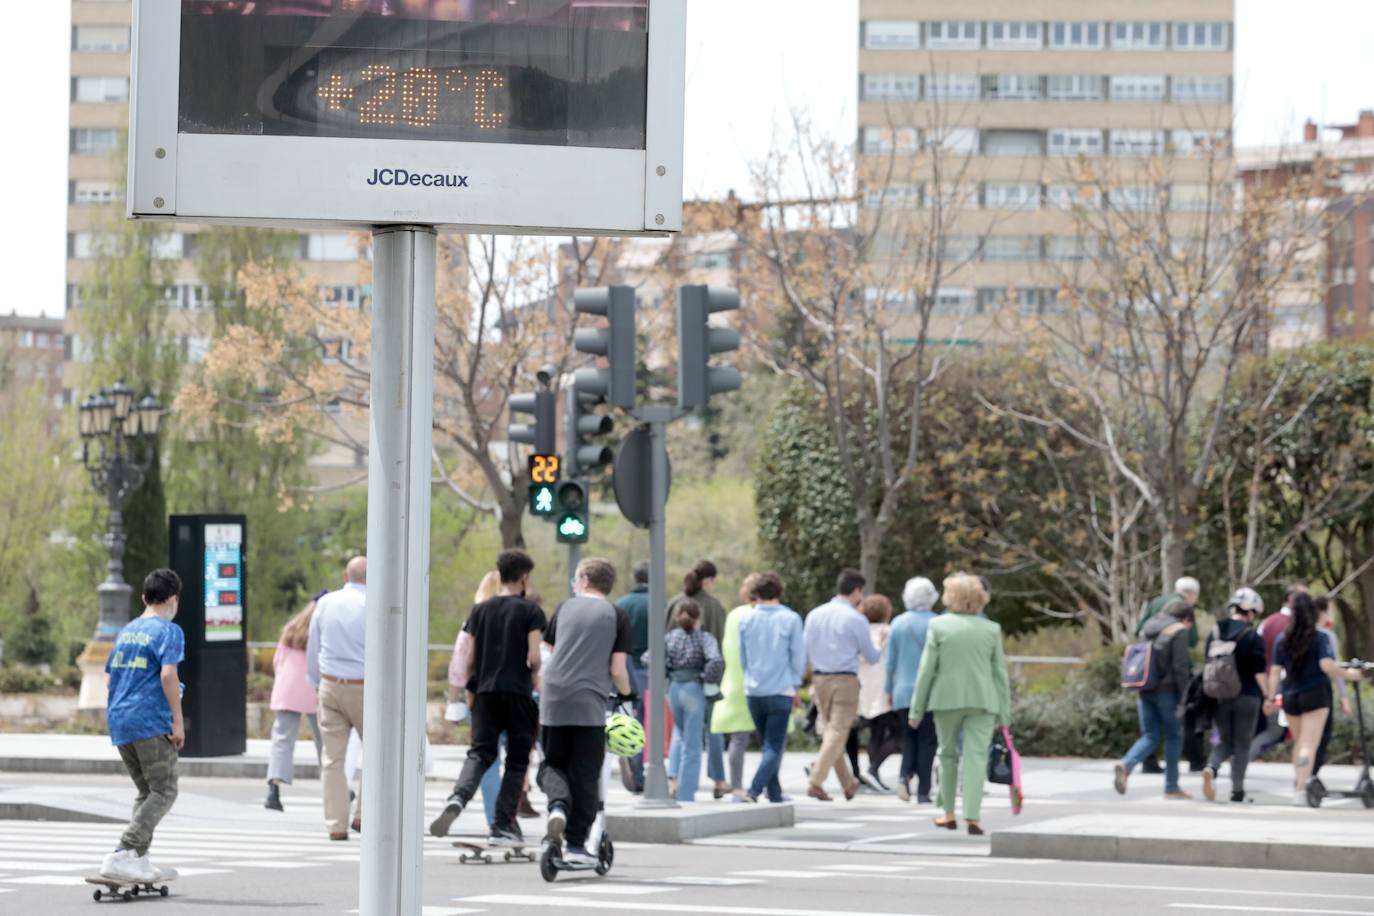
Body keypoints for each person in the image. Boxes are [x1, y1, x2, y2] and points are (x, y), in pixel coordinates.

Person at [430, 549, 545, 843]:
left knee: (480, 753)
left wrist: (470, 692)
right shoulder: (531, 611)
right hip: (518, 692)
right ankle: (503, 824)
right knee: (519, 760)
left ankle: (458, 798)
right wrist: (535, 677)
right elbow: (533, 656)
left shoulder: (480, 610)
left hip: (484, 692)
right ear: (523, 577)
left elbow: (468, 658)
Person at [539, 558, 633, 866]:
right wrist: (627, 695)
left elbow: (552, 652)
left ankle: (557, 807)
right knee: (585, 773)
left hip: (553, 697)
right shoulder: (616, 615)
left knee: (552, 763)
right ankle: (576, 844)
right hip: (589, 703)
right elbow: (617, 669)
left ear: (585, 580)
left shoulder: (564, 608)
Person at [98, 569, 185, 884]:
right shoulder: (169, 631)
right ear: (173, 599)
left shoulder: (127, 631)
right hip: (149, 721)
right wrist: (177, 720)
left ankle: (137, 858)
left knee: (147, 790)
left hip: (120, 721)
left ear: (144, 597)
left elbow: (108, 678)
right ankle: (123, 851)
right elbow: (167, 675)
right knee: (165, 790)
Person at [908, 574, 1011, 835]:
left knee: (947, 754)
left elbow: (926, 670)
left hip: (946, 699)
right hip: (984, 700)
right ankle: (973, 816)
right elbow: (1000, 675)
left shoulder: (939, 626)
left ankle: (948, 812)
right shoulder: (991, 629)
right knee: (976, 757)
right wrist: (1004, 714)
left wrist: (916, 709)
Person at [1267, 592, 1365, 805]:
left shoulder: (1283, 638)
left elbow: (1275, 671)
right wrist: (1350, 675)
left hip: (1290, 695)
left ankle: (1298, 784)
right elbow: (1327, 665)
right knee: (1308, 744)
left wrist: (1270, 697)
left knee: (1298, 742)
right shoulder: (1319, 637)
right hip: (1315, 695)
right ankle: (1302, 789)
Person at [803, 569, 880, 802]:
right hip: (845, 678)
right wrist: (880, 645)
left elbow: (804, 650)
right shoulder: (855, 618)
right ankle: (816, 780)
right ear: (856, 590)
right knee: (838, 731)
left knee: (830, 732)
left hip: (819, 678)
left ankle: (848, 783)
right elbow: (871, 656)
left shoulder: (815, 614)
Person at [307, 555, 368, 841]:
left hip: (330, 684)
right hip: (365, 685)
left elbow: (313, 645)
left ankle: (336, 823)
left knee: (332, 759)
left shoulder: (325, 603)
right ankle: (365, 814)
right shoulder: (373, 604)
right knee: (376, 754)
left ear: (346, 576)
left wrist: (316, 681)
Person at [1115, 598, 1194, 800]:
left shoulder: (1148, 627)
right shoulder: (1178, 630)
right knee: (1174, 736)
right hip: (1168, 691)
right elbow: (1180, 667)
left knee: (1150, 735)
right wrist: (1187, 694)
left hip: (1145, 687)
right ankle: (1171, 786)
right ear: (1185, 618)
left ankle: (1127, 764)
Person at [737, 572, 806, 804]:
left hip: (753, 690)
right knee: (773, 746)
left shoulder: (746, 619)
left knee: (767, 743)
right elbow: (797, 658)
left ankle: (775, 794)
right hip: (780, 689)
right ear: (779, 592)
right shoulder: (791, 619)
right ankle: (754, 790)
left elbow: (743, 657)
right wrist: (796, 685)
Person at [666, 560, 729, 798]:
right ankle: (716, 779)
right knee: (710, 731)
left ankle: (674, 777)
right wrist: (712, 680)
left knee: (679, 733)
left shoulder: (673, 603)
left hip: (673, 683)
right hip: (700, 684)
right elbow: (718, 651)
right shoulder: (713, 607)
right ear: (708, 580)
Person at [1198, 588, 1267, 803]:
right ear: (1250, 611)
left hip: (1220, 696)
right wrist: (1269, 695)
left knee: (1225, 740)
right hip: (1248, 696)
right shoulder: (1251, 635)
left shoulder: (1216, 631)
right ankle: (1237, 791)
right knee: (1242, 744)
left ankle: (1212, 767)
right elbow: (1259, 670)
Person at [264, 591, 326, 812]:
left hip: (287, 690)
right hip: (313, 690)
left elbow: (277, 661)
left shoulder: (290, 630)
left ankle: (274, 789)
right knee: (325, 741)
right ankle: (334, 787)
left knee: (282, 741)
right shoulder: (321, 631)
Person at [658, 599, 724, 802]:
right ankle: (686, 794)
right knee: (693, 746)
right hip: (694, 688)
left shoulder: (669, 638)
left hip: (674, 688)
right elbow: (716, 660)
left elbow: (649, 658)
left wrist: (668, 671)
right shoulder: (704, 638)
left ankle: (675, 781)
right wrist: (707, 678)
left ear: (677, 617)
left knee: (681, 734)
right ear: (698, 618)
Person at [886, 576, 939, 803]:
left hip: (902, 689)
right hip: (931, 691)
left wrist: (888, 689)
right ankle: (924, 790)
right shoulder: (938, 623)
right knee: (928, 740)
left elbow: (891, 662)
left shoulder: (898, 623)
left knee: (908, 737)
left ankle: (903, 778)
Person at [713, 575, 763, 802]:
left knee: (738, 739)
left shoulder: (734, 615)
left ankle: (736, 787)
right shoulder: (758, 616)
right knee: (771, 740)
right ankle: (768, 788)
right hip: (759, 682)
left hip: (733, 681)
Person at [1250, 584, 1309, 759]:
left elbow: (1258, 654)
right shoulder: (1295, 626)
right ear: (1292, 599)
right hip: (1285, 682)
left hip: (1266, 680)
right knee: (1278, 729)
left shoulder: (1266, 622)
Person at [848, 594, 897, 792]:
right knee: (889, 732)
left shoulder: (858, 631)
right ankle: (873, 770)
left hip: (860, 687)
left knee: (861, 732)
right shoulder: (889, 632)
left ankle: (864, 773)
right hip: (883, 688)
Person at [614, 561, 651, 793]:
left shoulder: (620, 605)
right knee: (644, 722)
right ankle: (638, 771)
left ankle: (628, 756)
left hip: (624, 667)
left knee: (628, 717)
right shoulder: (658, 604)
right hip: (650, 670)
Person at [1313, 596, 1351, 777]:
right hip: (1319, 691)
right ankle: (1310, 776)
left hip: (1294, 692)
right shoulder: (1326, 636)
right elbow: (1333, 667)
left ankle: (1302, 778)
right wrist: (1344, 696)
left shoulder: (1295, 633)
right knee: (1321, 736)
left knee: (1305, 739)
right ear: (1323, 611)